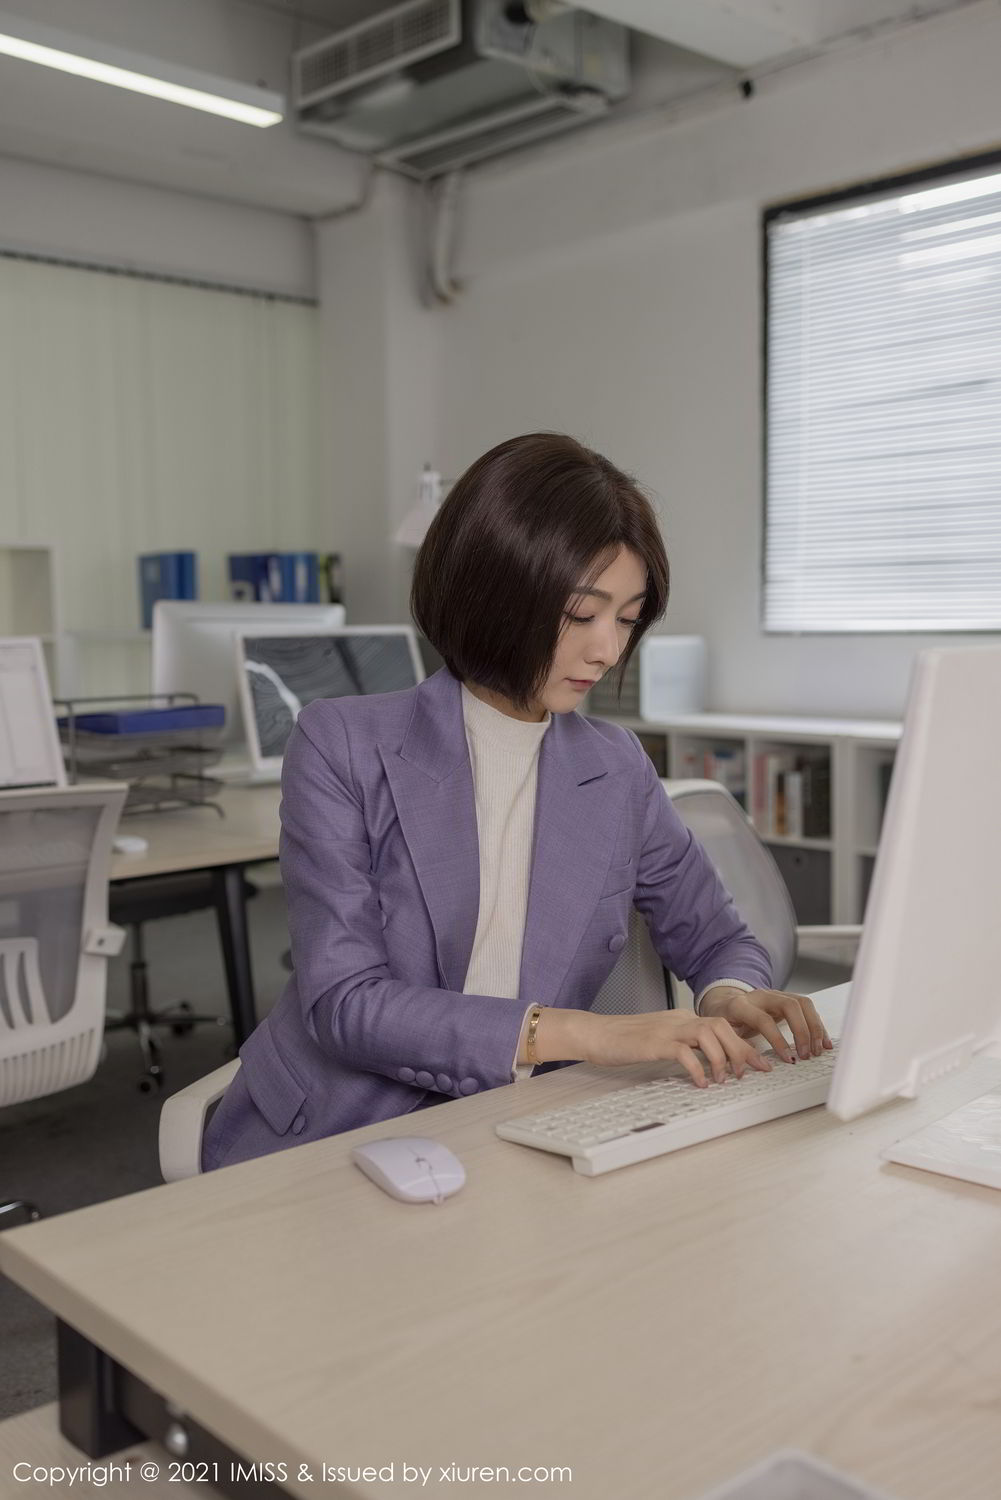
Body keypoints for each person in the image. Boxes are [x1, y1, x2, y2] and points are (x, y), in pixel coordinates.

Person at [201, 432, 831, 1172]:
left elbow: (719, 937)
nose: (606, 650)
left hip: (519, 1124)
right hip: (335, 1132)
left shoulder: (613, 764)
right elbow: (346, 1005)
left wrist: (726, 994)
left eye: (626, 618)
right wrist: (595, 1035)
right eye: (580, 613)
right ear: (495, 591)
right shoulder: (341, 743)